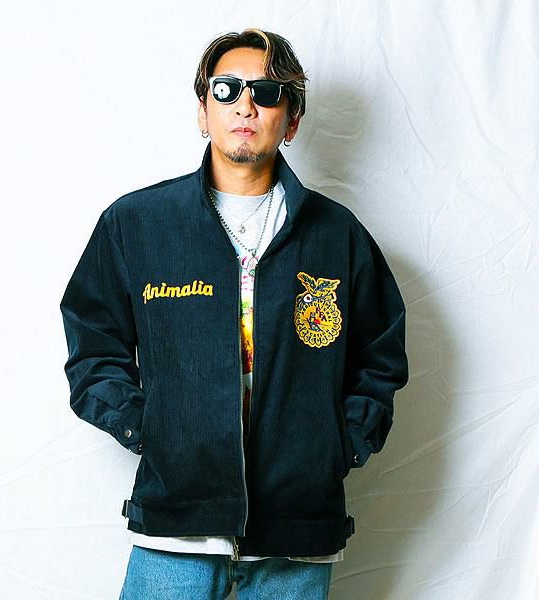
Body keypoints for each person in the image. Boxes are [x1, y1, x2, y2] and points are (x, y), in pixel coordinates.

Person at [60, 27, 409, 600]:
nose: (246, 104)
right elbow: (93, 344)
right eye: (227, 89)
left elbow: (381, 356)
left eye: (267, 92)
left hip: (296, 532)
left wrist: (338, 444)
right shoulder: (139, 224)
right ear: (204, 110)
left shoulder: (336, 237)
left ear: (291, 121)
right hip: (176, 528)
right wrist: (149, 428)